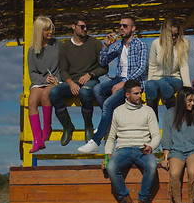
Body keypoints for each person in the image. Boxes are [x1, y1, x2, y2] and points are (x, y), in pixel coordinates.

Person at [78, 16, 149, 153]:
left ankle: (95, 141)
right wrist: (106, 46)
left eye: (125, 26)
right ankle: (109, 121)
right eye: (120, 26)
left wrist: (123, 83)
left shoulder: (141, 45)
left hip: (134, 82)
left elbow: (141, 68)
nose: (122, 28)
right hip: (119, 78)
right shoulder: (117, 44)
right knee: (97, 89)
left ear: (133, 28)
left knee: (108, 104)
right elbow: (103, 62)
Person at [104, 80, 160, 203]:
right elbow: (110, 137)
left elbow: (156, 135)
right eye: (136, 93)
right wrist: (107, 156)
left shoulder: (148, 111)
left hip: (143, 148)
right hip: (123, 148)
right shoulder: (117, 111)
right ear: (127, 95)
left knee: (152, 166)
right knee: (110, 166)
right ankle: (125, 200)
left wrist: (151, 147)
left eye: (140, 93)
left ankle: (143, 201)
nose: (140, 96)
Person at [49, 14, 108, 146]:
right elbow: (63, 71)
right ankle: (68, 126)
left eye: (87, 26)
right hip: (72, 82)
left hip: (91, 81)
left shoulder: (95, 43)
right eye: (82, 26)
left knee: (85, 92)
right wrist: (70, 83)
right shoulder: (64, 47)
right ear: (73, 27)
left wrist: (90, 75)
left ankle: (88, 126)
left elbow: (104, 68)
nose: (85, 29)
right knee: (53, 93)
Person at [27, 16, 61, 153]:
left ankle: (47, 127)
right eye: (46, 29)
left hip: (56, 80)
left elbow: (63, 64)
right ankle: (37, 140)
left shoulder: (57, 44)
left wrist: (55, 78)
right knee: (32, 102)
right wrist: (43, 80)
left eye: (51, 28)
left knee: (46, 94)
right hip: (39, 81)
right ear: (39, 31)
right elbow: (32, 73)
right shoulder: (32, 50)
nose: (50, 32)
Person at [145, 17, 191, 118]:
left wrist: (187, 87)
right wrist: (150, 82)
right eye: (172, 35)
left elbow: (184, 65)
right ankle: (152, 122)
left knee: (163, 82)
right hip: (158, 78)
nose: (174, 37)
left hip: (175, 79)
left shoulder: (183, 43)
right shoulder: (156, 43)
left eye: (177, 34)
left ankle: (176, 116)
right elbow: (152, 65)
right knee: (149, 86)